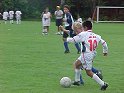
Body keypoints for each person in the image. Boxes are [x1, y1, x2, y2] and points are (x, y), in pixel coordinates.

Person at [60, 21, 108, 90]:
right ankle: (77, 81)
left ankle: (103, 84)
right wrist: (105, 51)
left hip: (86, 55)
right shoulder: (96, 35)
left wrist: (66, 39)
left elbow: (74, 40)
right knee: (76, 64)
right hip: (91, 53)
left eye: (82, 27)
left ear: (85, 27)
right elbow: (104, 43)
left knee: (88, 72)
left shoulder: (83, 34)